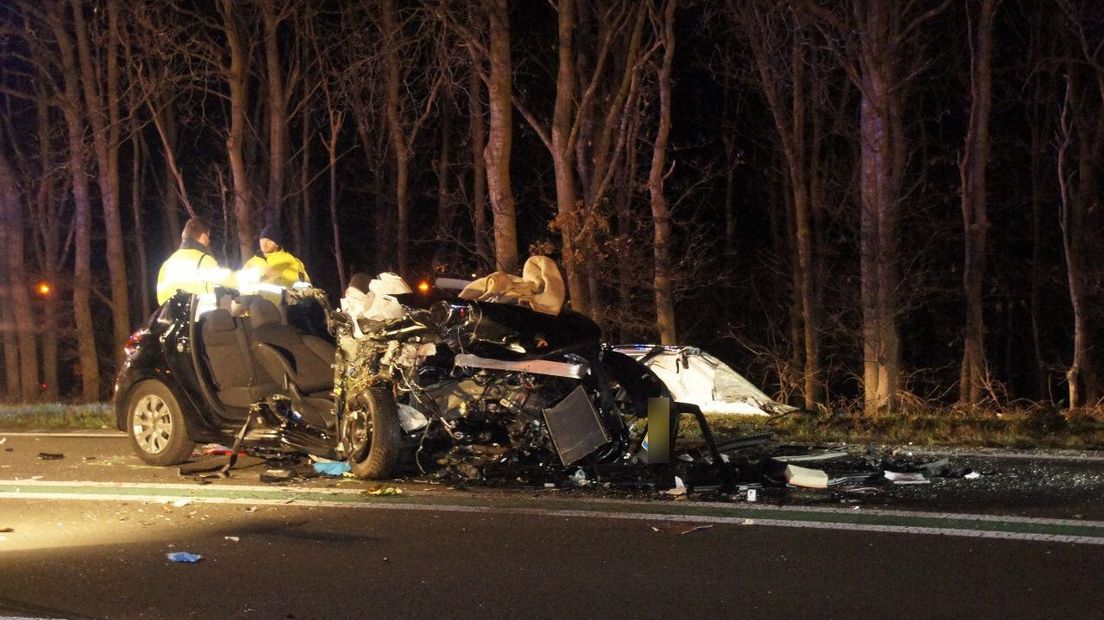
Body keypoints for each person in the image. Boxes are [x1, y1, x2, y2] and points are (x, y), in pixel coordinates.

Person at [156, 217, 230, 305]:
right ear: (204, 236)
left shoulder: (166, 265)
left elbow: (161, 298)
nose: (208, 241)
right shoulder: (204, 261)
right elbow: (223, 286)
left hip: (169, 317)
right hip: (199, 316)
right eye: (208, 237)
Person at [240, 224, 310, 296]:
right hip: (252, 302)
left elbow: (303, 289)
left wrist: (276, 277)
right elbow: (242, 286)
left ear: (277, 244)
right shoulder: (252, 262)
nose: (264, 244)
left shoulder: (290, 261)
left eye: (269, 240)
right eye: (262, 239)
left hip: (280, 304)